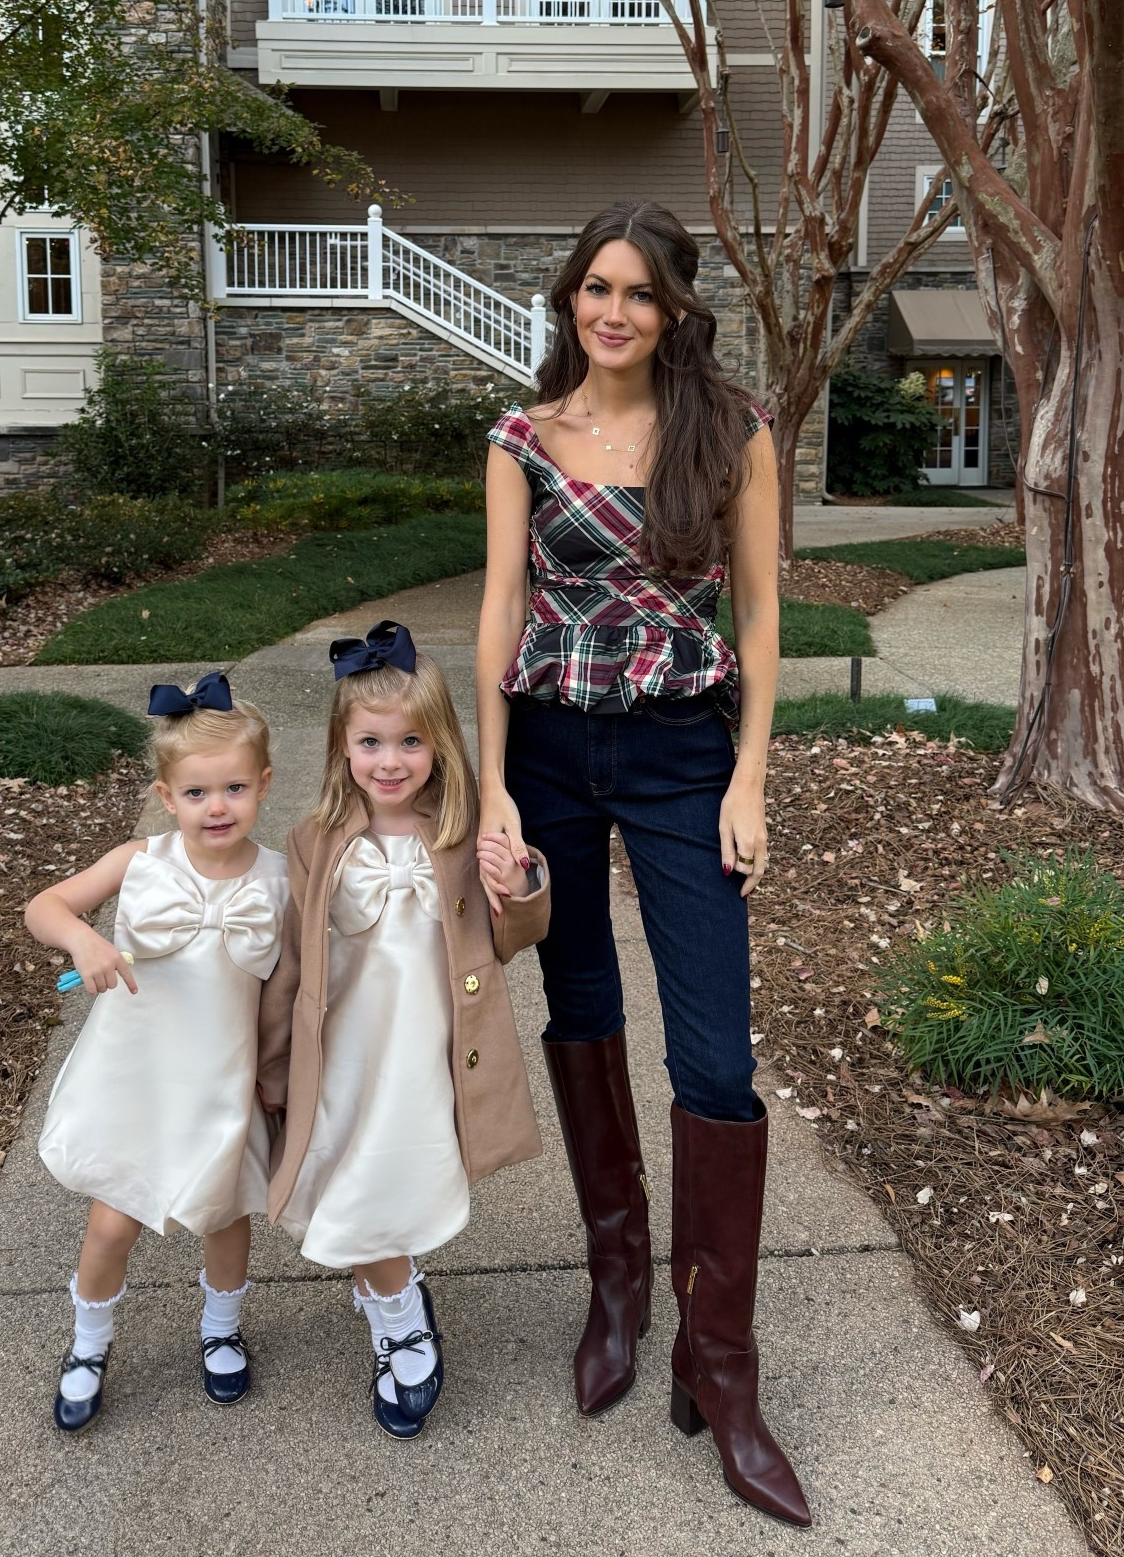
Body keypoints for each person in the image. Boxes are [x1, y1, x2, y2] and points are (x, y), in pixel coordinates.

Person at [476, 200, 809, 1526]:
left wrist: (750, 780)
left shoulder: (732, 432)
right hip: (552, 752)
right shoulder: (523, 437)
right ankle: (618, 1280)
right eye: (592, 289)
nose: (609, 311)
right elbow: (501, 608)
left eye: (637, 293)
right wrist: (495, 783)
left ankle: (717, 1362)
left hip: (682, 756)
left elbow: (764, 612)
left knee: (717, 1062)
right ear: (572, 299)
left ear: (674, 309)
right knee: (584, 1012)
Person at [258, 620, 550, 1438]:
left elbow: (510, 940)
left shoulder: (459, 838)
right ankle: (400, 1315)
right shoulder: (314, 841)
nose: (391, 761)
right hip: (343, 1056)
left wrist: (519, 884)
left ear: (441, 744)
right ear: (342, 748)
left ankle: (393, 1296)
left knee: (382, 1184)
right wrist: (273, 1065)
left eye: (411, 741)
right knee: (346, 1184)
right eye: (371, 742)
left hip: (424, 1057)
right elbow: (288, 963)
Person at [27, 676, 286, 1433]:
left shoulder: (279, 879)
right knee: (112, 1224)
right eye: (197, 792)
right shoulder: (140, 860)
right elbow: (44, 905)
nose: (217, 806)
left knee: (225, 1214)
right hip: (140, 1079)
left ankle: (221, 1328)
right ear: (166, 796)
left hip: (220, 1080)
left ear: (263, 786)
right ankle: (88, 1343)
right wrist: (85, 937)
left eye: (235, 788)